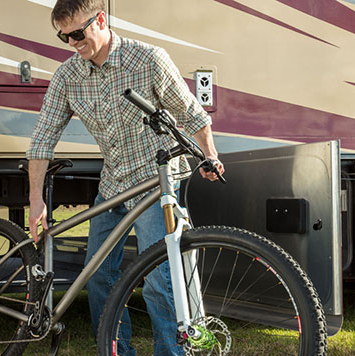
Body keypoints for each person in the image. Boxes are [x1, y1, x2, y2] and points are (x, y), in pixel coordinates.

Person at [26, 0, 225, 355]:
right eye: (63, 37)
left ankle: (172, 352)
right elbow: (42, 140)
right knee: (99, 277)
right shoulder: (67, 76)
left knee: (159, 281)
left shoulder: (148, 59)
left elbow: (192, 113)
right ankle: (115, 350)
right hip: (114, 185)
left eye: (77, 33)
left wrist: (210, 155)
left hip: (155, 182)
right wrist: (35, 200)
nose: (73, 43)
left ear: (100, 20)